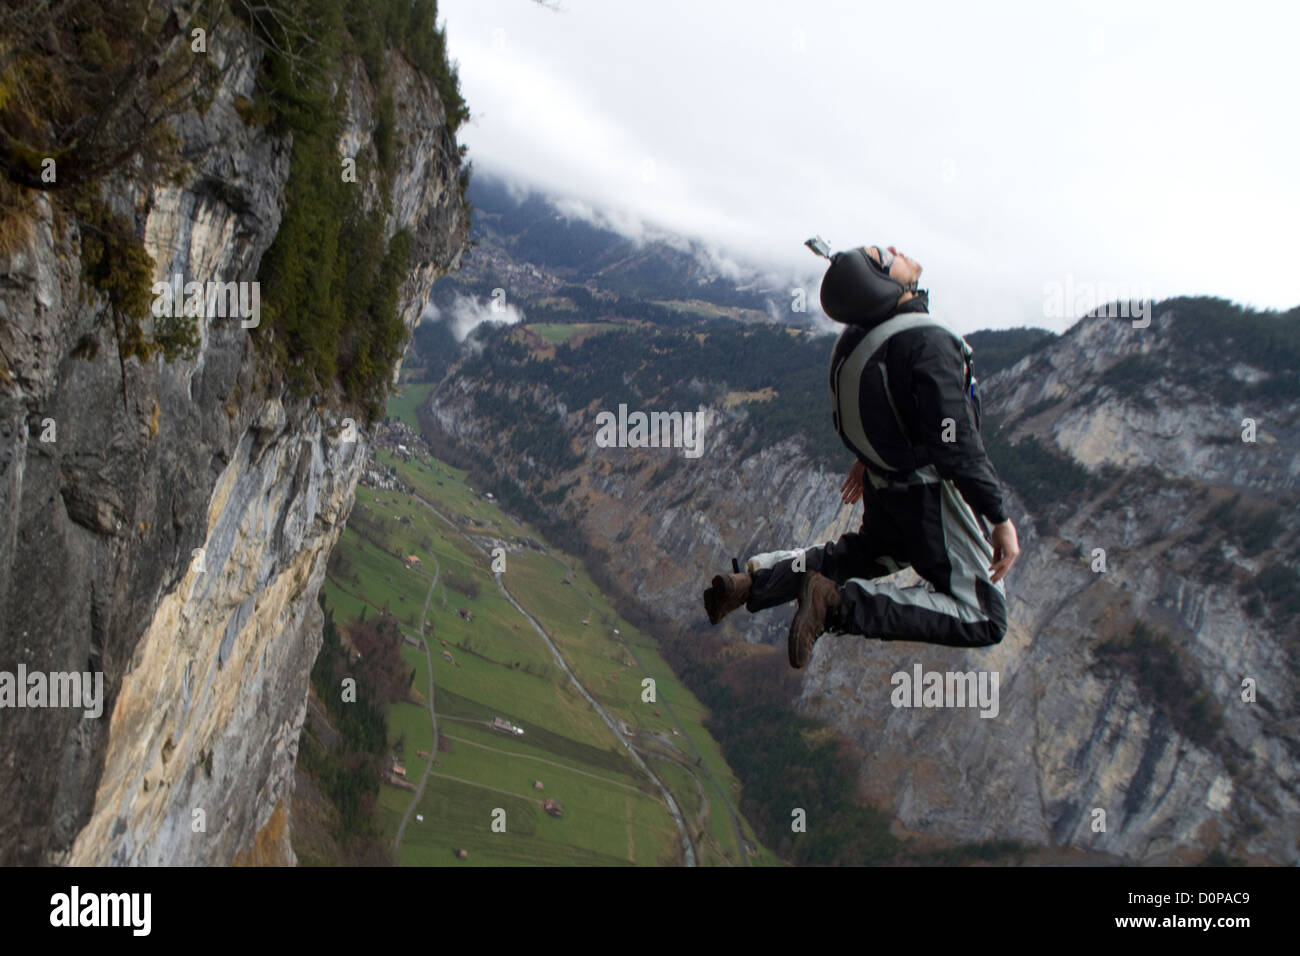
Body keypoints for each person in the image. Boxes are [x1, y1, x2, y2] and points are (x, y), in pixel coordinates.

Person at [702, 244, 1019, 668]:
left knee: (864, 555)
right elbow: (955, 440)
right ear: (881, 282)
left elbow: (884, 408)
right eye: (883, 257)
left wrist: (870, 457)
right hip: (927, 494)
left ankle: (751, 583)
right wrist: (998, 517)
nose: (895, 250)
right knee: (985, 617)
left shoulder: (861, 341)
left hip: (886, 486)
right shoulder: (925, 339)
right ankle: (835, 605)